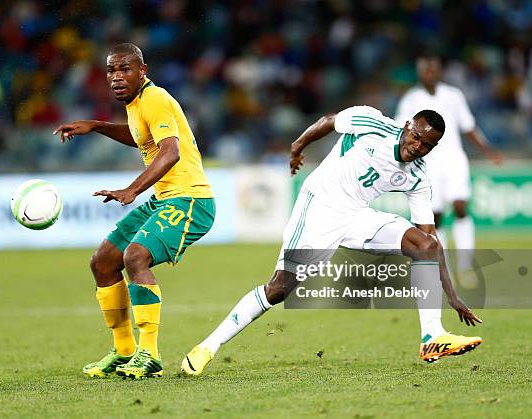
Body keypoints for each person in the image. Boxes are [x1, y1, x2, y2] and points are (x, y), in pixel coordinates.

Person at [181, 105, 482, 376]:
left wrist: (452, 296)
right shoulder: (372, 123)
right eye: (416, 136)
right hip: (320, 207)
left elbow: (431, 238)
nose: (417, 147)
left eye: (427, 145)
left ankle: (431, 337)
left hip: (357, 215)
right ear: (406, 126)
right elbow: (328, 121)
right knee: (278, 290)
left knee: (424, 245)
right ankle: (207, 347)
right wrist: (298, 146)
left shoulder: (417, 176)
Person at [53, 43, 215, 380]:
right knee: (103, 260)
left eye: (125, 69)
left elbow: (170, 152)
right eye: (111, 70)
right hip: (165, 199)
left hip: (190, 201)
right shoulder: (138, 102)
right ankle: (124, 350)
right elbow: (140, 135)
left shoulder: (154, 98)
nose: (116, 77)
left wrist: (132, 190)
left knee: (135, 257)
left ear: (143, 70)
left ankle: (150, 354)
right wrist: (96, 125)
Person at [395, 54, 503, 281]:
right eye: (426, 70)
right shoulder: (411, 99)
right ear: (420, 73)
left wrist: (488, 150)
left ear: (440, 71)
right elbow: (400, 129)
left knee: (461, 206)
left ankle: (465, 265)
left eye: (434, 69)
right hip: (427, 163)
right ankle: (443, 267)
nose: (430, 74)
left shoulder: (454, 96)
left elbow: (469, 126)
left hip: (454, 159)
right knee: (436, 217)